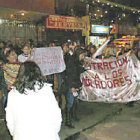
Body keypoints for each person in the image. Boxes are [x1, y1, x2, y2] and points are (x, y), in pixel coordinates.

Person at [5, 61, 62, 140]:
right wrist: (54, 131)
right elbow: (56, 114)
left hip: (22, 135)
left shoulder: (12, 94)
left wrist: (15, 134)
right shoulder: (46, 90)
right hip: (46, 134)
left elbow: (10, 119)